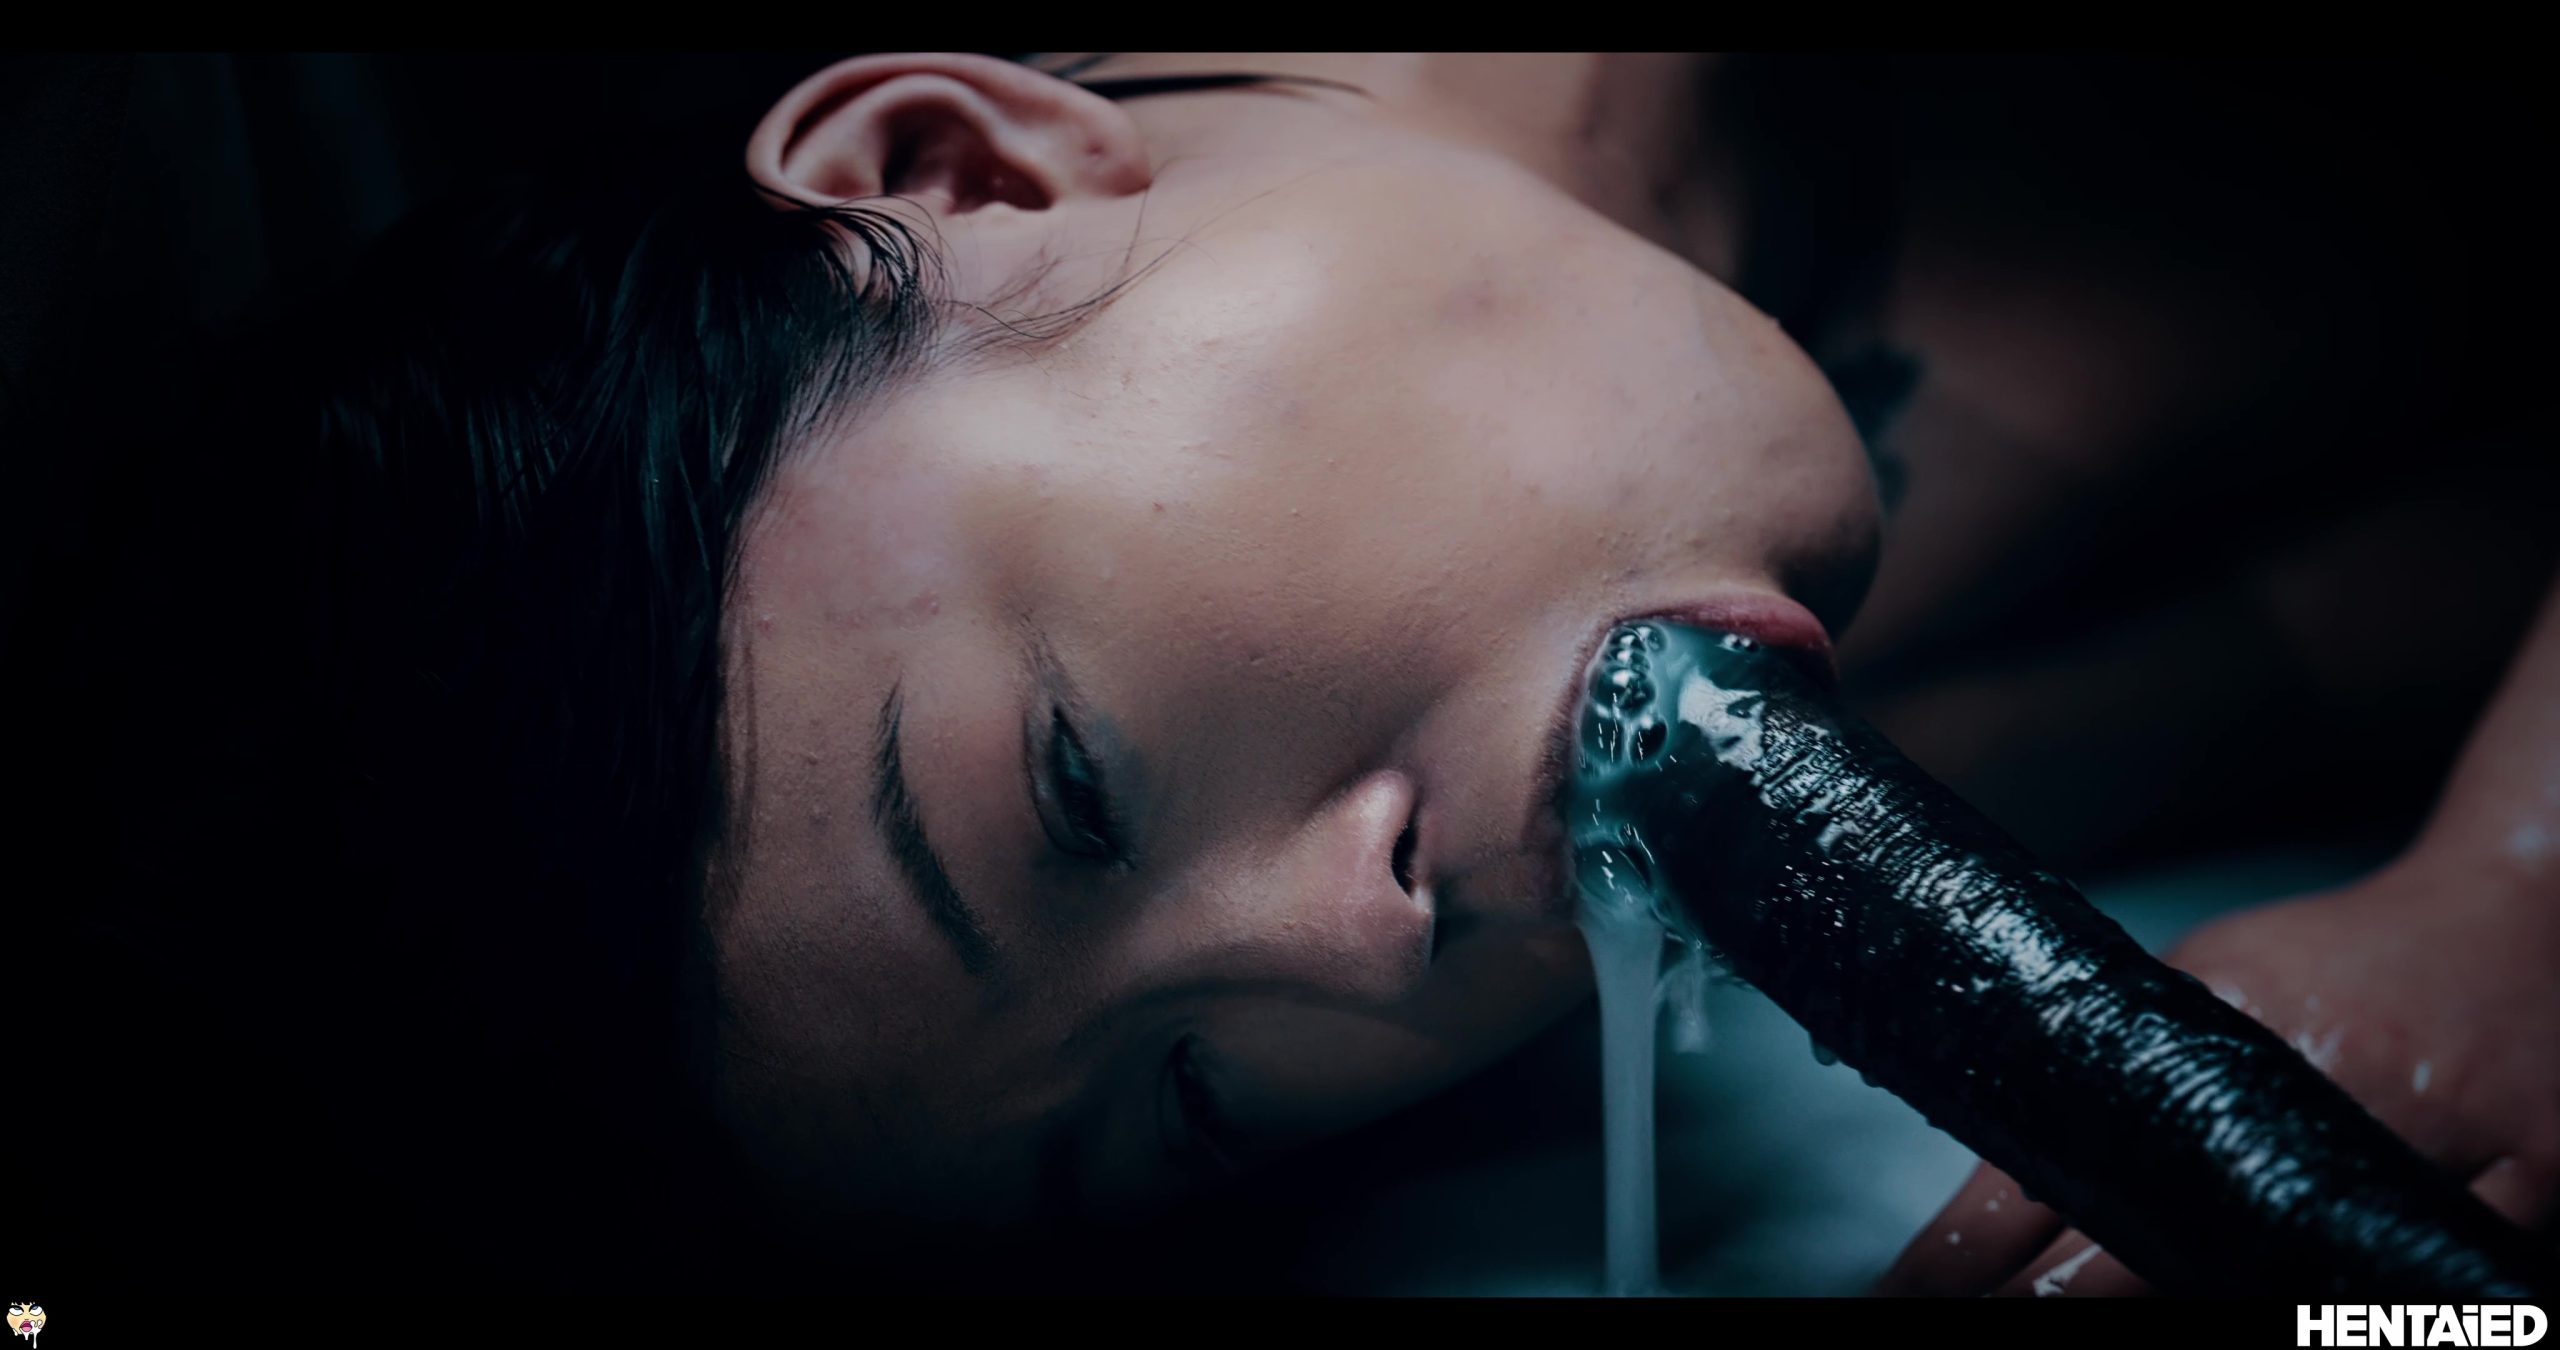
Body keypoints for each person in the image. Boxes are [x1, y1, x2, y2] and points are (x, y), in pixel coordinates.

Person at [34, 52, 2554, 1293]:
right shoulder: (1670, 611)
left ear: (961, 175)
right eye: (1198, 1094)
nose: (1367, 949)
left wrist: (2514, 884)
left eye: (1072, 785)